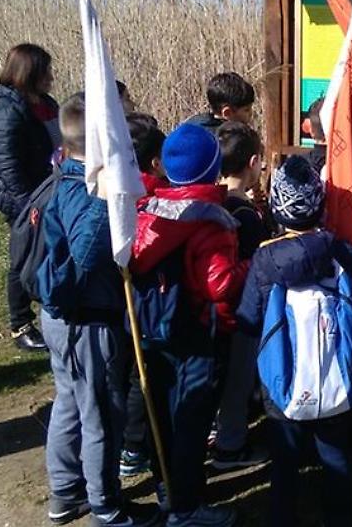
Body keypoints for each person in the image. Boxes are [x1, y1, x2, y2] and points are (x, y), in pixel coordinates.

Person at [35, 97, 159, 527]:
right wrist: (113, 216)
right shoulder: (91, 194)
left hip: (60, 316)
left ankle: (65, 493)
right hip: (86, 319)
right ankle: (106, 507)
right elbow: (87, 255)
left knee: (69, 402)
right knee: (101, 414)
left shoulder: (64, 176)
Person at [129, 123, 248, 527]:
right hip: (196, 331)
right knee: (193, 418)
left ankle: (167, 486)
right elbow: (220, 285)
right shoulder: (209, 219)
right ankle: (187, 507)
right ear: (213, 170)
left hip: (155, 329)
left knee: (161, 411)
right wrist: (250, 265)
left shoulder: (149, 209)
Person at [236, 155, 352, 527]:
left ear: (277, 205)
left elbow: (248, 319)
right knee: (335, 454)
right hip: (336, 374)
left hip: (281, 379)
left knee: (286, 460)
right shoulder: (340, 251)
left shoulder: (264, 259)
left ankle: (282, 517)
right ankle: (339, 517)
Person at [0, 43, 61, 352]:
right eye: (46, 71)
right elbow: (7, 168)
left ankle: (48, 309)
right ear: (31, 73)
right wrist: (27, 207)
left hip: (45, 190)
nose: (51, 76)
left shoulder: (46, 104)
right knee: (22, 255)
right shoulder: (7, 113)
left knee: (44, 252)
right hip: (20, 194)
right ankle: (20, 324)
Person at [209, 121, 271, 470]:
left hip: (213, 311)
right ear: (252, 163)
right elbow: (258, 265)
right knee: (238, 378)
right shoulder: (244, 214)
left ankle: (216, 430)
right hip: (242, 312)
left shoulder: (211, 204)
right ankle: (230, 447)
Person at [118, 113, 167, 479]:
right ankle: (135, 447)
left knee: (136, 374)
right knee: (142, 375)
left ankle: (133, 443)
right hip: (146, 304)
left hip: (135, 302)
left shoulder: (129, 189)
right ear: (154, 161)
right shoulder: (148, 199)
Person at [184, 72, 255, 134]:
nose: (251, 113)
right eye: (247, 110)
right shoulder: (227, 140)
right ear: (227, 113)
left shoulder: (194, 123)